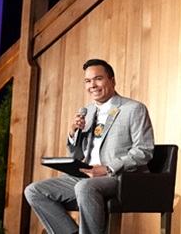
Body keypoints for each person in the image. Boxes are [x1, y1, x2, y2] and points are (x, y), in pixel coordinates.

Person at [24, 59, 155, 234]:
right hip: (85, 174)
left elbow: (143, 152)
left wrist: (107, 169)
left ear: (112, 80)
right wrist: (72, 134)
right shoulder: (87, 111)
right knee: (34, 190)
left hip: (120, 177)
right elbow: (77, 155)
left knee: (84, 187)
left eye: (98, 79)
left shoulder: (133, 109)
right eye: (88, 81)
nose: (92, 85)